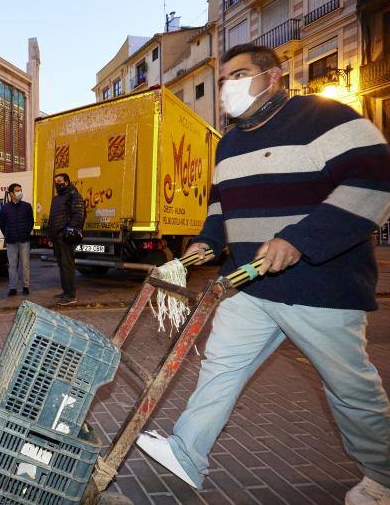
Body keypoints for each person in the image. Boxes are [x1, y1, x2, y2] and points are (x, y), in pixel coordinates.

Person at [136, 43, 390, 504]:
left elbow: (373, 182)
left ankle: (383, 476)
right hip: (250, 282)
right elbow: (221, 205)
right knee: (221, 365)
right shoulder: (229, 142)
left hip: (321, 286)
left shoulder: (327, 117)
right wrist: (205, 244)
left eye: (240, 74)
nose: (229, 86)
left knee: (350, 388)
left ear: (274, 76)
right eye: (224, 78)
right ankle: (188, 453)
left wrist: (300, 239)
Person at [47, 173, 85, 306]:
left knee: (68, 266)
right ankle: (65, 292)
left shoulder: (74, 195)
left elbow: (78, 216)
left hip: (65, 237)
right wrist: (51, 236)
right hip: (56, 237)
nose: (57, 184)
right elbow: (52, 219)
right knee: (62, 266)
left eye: (60, 181)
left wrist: (67, 232)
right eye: (56, 182)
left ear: (67, 181)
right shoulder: (56, 198)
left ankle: (71, 295)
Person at [0, 182, 34, 297]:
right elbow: (2, 224)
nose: (20, 192)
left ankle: (26, 287)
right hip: (11, 241)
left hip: (24, 240)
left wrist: (26, 232)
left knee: (25, 264)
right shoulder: (5, 208)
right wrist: (8, 234)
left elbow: (30, 222)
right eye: (17, 191)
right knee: (12, 265)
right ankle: (12, 288)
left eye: (20, 190)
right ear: (11, 194)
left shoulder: (27, 206)